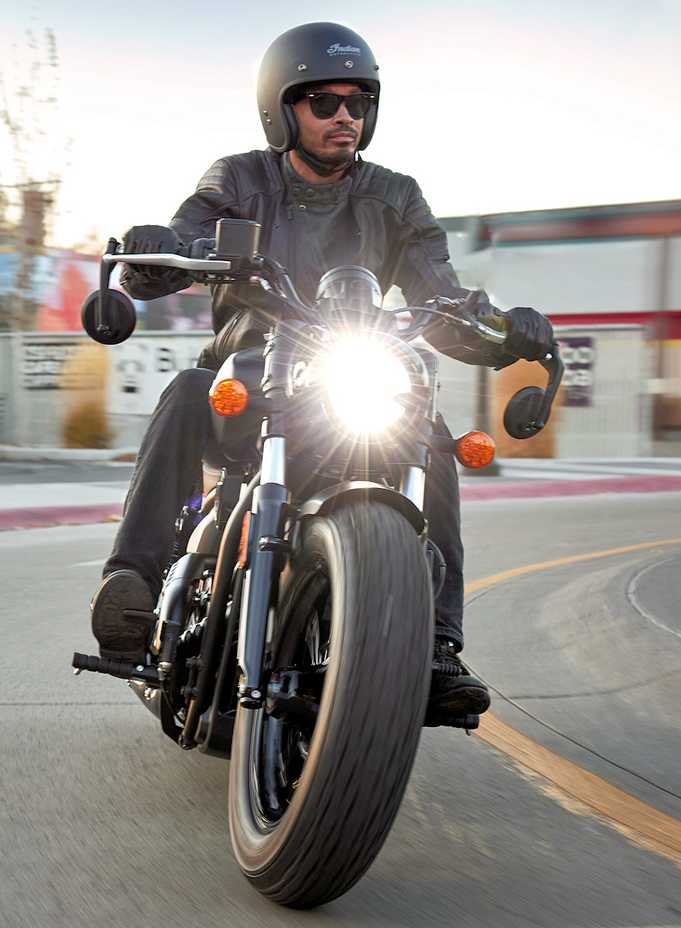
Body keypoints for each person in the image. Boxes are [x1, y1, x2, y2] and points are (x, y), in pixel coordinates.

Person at [90, 22, 555, 721]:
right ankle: (133, 581)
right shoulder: (241, 180)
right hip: (250, 380)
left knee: (430, 430)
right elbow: (190, 234)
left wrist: (502, 330)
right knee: (188, 387)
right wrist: (162, 250)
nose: (344, 115)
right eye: (323, 101)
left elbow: (440, 293)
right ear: (283, 108)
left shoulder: (395, 197)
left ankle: (433, 642)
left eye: (358, 102)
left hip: (353, 378)